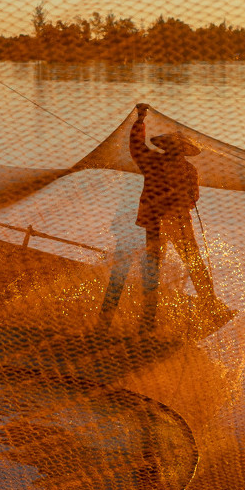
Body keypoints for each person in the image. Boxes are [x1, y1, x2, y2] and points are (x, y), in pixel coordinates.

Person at [98, 102, 230, 334]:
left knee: (153, 271)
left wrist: (140, 120)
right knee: (192, 266)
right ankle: (208, 307)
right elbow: (193, 198)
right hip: (175, 224)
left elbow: (136, 146)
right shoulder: (188, 170)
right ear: (181, 151)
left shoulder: (152, 161)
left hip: (154, 223)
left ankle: (130, 324)